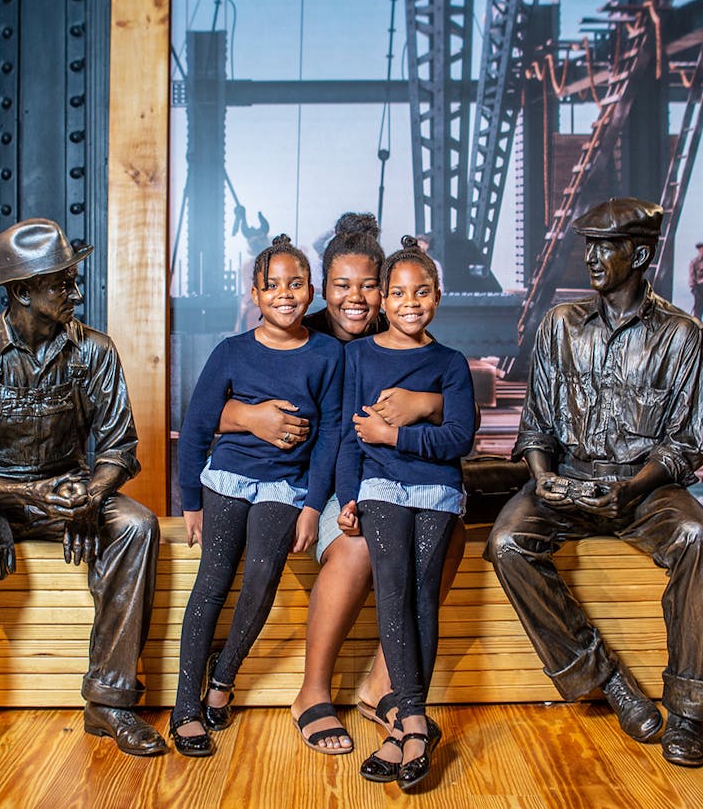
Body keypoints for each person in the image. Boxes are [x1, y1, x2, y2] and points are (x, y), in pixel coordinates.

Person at [0, 219, 165, 779]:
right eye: (62, 284)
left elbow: (119, 446)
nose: (76, 293)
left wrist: (90, 496)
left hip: (68, 493)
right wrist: (19, 497)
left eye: (74, 280)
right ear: (21, 292)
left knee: (138, 526)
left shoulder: (93, 351)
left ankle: (109, 700)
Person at [485, 197, 703, 768]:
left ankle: (689, 713)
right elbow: (537, 427)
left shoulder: (682, 335)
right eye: (589, 245)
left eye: (607, 246)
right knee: (506, 543)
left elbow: (686, 445)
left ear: (641, 254)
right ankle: (610, 682)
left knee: (702, 539)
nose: (592, 258)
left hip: (645, 490)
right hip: (568, 481)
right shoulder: (559, 327)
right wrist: (544, 478)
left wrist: (631, 488)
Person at [216, 212, 468, 756]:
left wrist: (427, 402)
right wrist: (247, 415)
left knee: (451, 534)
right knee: (356, 549)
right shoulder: (296, 333)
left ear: (385, 290)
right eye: (340, 287)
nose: (355, 299)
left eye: (369, 286)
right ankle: (311, 693)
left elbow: (453, 395)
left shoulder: (401, 330)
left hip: (381, 477)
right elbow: (210, 406)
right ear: (320, 289)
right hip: (311, 484)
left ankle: (385, 682)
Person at [172, 234, 344, 757]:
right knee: (213, 580)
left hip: (285, 485)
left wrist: (314, 505)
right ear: (255, 293)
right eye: (273, 286)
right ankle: (185, 707)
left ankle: (223, 680)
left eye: (295, 284)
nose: (285, 294)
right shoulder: (231, 352)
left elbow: (332, 432)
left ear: (311, 291)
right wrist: (190, 502)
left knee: (262, 576)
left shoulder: (326, 353)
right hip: (225, 479)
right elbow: (198, 424)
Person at [337, 237, 477, 790]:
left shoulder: (450, 364)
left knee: (422, 597)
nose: (409, 302)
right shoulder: (359, 356)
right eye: (397, 293)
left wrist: (394, 433)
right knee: (392, 595)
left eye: (421, 292)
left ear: (437, 298)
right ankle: (415, 721)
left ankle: (402, 732)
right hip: (380, 488)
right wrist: (348, 494)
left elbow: (461, 438)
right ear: (384, 302)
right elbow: (349, 439)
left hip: (437, 491)